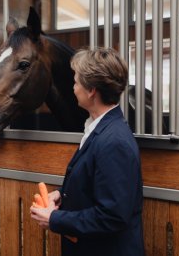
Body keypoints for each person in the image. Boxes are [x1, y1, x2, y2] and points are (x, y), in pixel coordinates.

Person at [30, 47, 144, 256]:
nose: (73, 88)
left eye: (76, 82)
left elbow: (112, 216)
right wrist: (62, 196)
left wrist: (54, 219)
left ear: (91, 90)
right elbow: (95, 187)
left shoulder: (114, 142)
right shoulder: (99, 129)